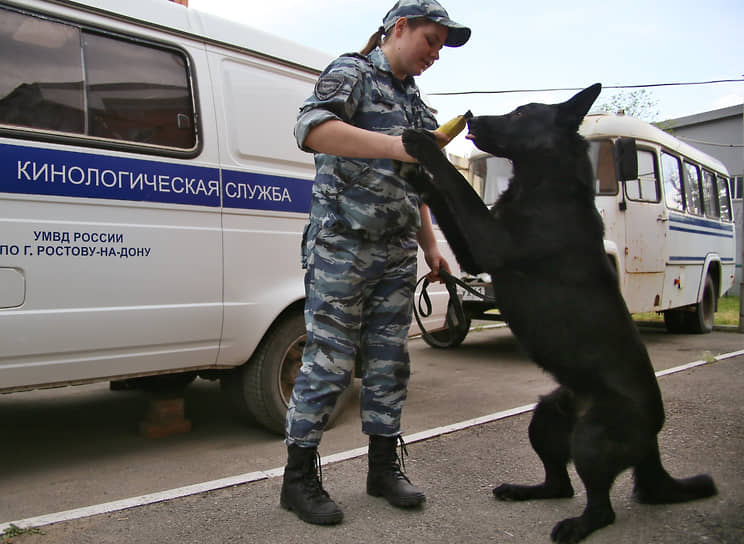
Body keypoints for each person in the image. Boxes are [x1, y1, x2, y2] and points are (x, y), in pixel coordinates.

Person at [281, 0, 471, 525]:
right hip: (341, 244)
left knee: (390, 362)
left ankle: (382, 469)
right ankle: (298, 480)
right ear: (400, 27)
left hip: (395, 251)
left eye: (441, 47)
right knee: (330, 363)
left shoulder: (414, 100)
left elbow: (417, 180)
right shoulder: (353, 72)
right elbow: (311, 130)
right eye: (431, 40)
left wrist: (431, 245)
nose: (436, 53)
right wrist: (397, 146)